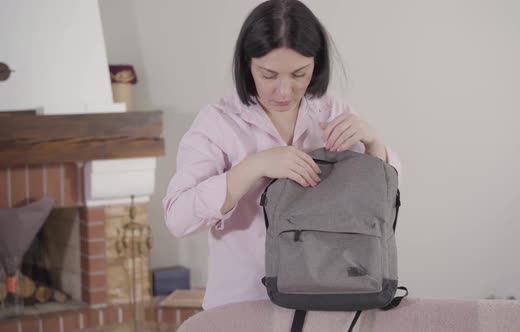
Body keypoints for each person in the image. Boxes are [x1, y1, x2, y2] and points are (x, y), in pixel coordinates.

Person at [163, 0, 401, 310]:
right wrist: (253, 167)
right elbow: (178, 218)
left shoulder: (333, 112)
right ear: (247, 64)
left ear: (316, 64)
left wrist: (373, 144)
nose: (285, 91)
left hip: (330, 299)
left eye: (299, 74)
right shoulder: (218, 122)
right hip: (243, 305)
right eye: (269, 75)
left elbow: (382, 203)